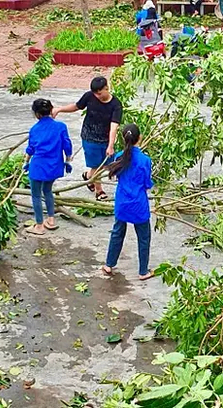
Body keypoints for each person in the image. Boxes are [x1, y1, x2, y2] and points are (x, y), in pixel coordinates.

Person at [52, 77, 123, 201]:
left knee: (105, 165)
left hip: (105, 139)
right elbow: (76, 106)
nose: (97, 96)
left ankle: (88, 176)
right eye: (95, 93)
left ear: (107, 88)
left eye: (99, 93)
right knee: (95, 165)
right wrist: (59, 109)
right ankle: (99, 191)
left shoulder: (116, 105)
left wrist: (111, 145)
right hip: (89, 137)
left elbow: (114, 126)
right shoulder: (89, 96)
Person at [101, 124, 154, 281]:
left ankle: (109, 264)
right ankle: (143, 271)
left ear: (123, 139)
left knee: (117, 232)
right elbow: (147, 183)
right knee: (144, 236)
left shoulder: (119, 157)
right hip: (138, 203)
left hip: (122, 201)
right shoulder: (145, 160)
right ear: (140, 138)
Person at [24, 99, 73, 236]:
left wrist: (26, 162)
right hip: (54, 166)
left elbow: (30, 149)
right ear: (51, 110)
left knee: (36, 195)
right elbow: (67, 146)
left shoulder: (34, 129)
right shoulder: (61, 126)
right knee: (47, 190)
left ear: (37, 114)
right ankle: (51, 220)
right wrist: (68, 161)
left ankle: (39, 225)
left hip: (38, 166)